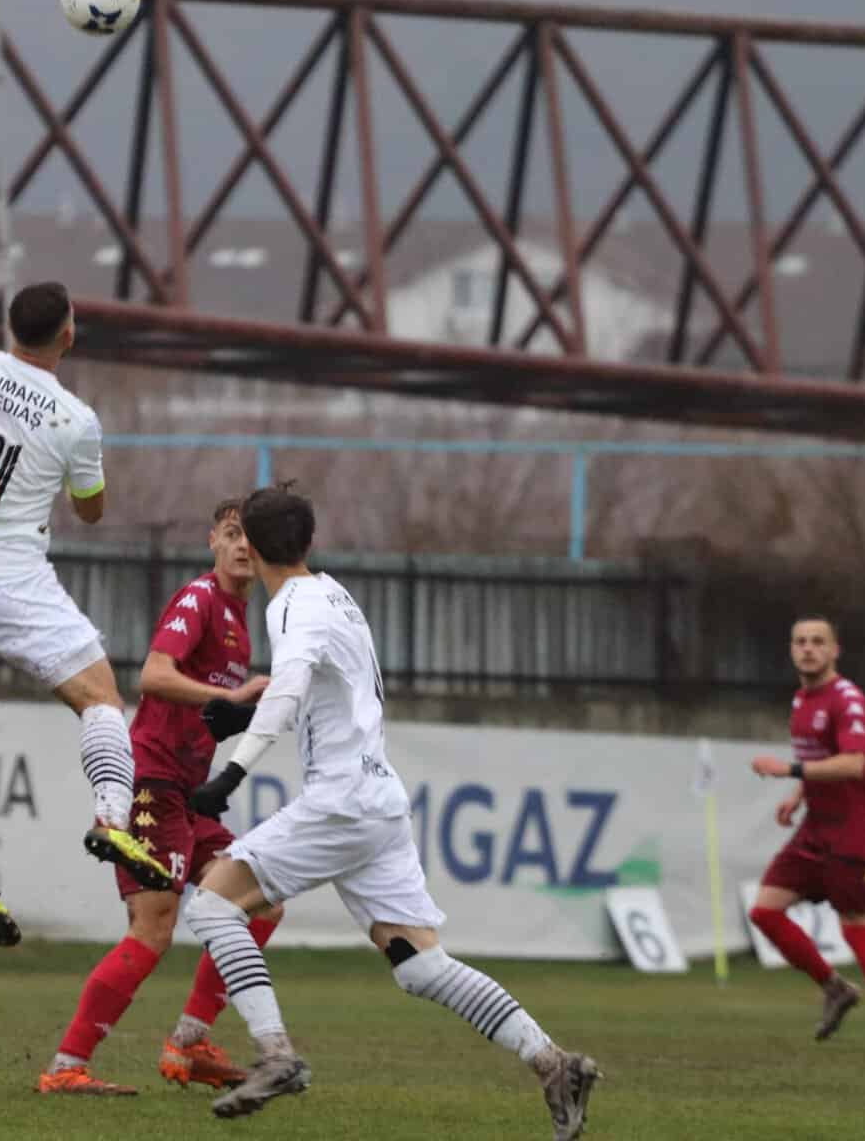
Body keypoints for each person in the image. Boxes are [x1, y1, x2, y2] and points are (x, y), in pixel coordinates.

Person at [179, 485, 600, 1137]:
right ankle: (553, 1062)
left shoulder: (290, 604)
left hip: (344, 800)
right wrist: (243, 713)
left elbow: (291, 686)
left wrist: (231, 770)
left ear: (255, 550)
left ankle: (275, 1054)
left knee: (211, 905)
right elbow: (322, 690)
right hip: (377, 800)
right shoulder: (335, 595)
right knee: (420, 963)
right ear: (309, 542)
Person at [0, 281, 172, 947]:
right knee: (101, 700)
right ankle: (113, 817)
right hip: (11, 571)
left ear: (7, 326)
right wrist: (79, 480)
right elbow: (90, 507)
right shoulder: (75, 418)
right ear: (68, 334)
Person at [38, 498, 277, 1096]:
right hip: (153, 782)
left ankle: (190, 1041)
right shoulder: (200, 599)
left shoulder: (240, 621)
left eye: (251, 536)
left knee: (264, 899)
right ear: (212, 543)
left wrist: (240, 711)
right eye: (231, 534)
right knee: (152, 928)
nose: (242, 545)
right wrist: (227, 700)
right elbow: (153, 674)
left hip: (188, 794)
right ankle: (67, 1066)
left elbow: (207, 708)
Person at [746, 616, 865, 1053]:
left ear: (834, 650)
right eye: (801, 641)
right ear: (791, 649)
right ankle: (835, 988)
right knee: (765, 911)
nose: (808, 648)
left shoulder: (847, 698)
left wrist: (789, 769)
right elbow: (824, 758)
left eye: (817, 642)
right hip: (815, 830)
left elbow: (854, 763)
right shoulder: (802, 700)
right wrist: (799, 793)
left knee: (856, 929)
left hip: (851, 834)